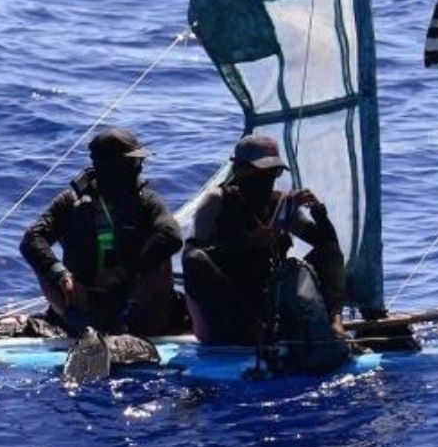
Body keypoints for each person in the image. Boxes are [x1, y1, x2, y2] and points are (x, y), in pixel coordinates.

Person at [180, 134, 349, 356]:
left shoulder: (279, 203)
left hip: (269, 301)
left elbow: (327, 245)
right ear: (240, 170)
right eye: (261, 173)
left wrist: (319, 212)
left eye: (274, 172)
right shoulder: (217, 201)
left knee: (329, 252)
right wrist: (247, 241)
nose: (268, 179)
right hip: (232, 305)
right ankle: (255, 331)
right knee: (195, 259)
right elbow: (192, 257)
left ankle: (334, 324)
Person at [19, 127, 186, 339]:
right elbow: (31, 240)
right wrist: (62, 275)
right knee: (40, 262)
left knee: (162, 258)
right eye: (134, 162)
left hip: (133, 298)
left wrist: (125, 271)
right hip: (83, 298)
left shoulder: (146, 201)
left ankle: (128, 322)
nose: (140, 167)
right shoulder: (70, 202)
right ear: (113, 167)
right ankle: (73, 321)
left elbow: (171, 235)